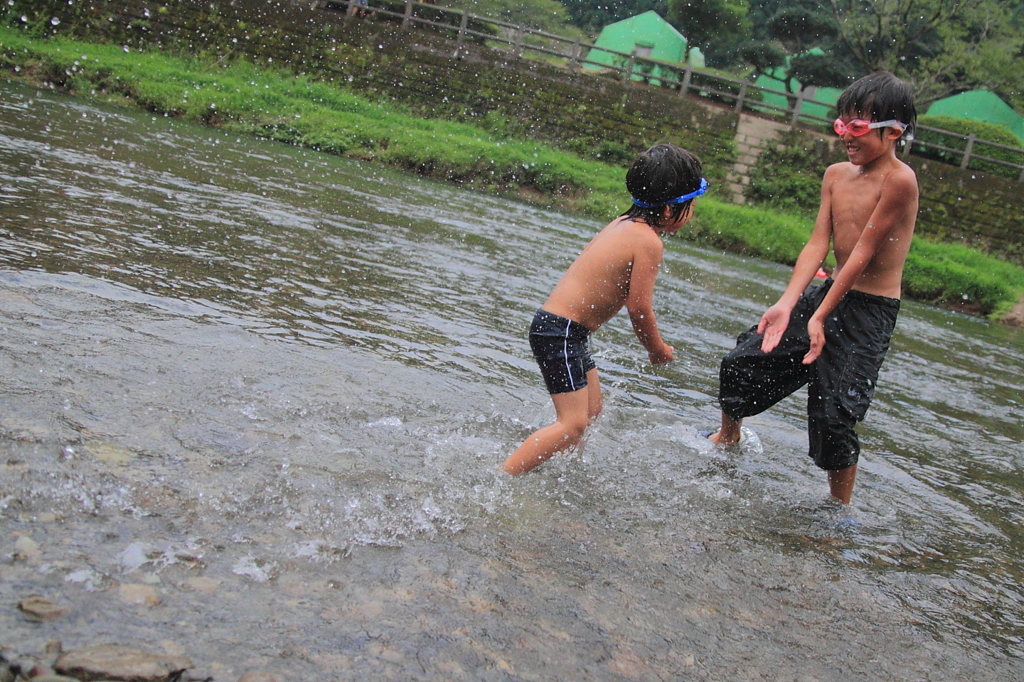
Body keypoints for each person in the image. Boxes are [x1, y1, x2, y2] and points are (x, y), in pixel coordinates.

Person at [704, 71, 919, 504]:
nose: (845, 136)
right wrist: (788, 303)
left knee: (834, 414)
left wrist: (822, 317)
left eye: (857, 127)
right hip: (827, 294)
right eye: (842, 125)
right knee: (744, 360)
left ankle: (839, 508)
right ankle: (729, 437)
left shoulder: (900, 180)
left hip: (868, 310)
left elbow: (862, 255)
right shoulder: (836, 175)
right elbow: (819, 242)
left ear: (893, 131)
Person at [502, 143, 707, 475]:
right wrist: (656, 350)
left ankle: (555, 473)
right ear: (669, 211)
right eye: (692, 204)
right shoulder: (649, 242)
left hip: (566, 330)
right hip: (561, 331)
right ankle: (503, 477)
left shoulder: (623, 223)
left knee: (592, 412)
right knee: (572, 424)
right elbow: (639, 309)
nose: (693, 211)